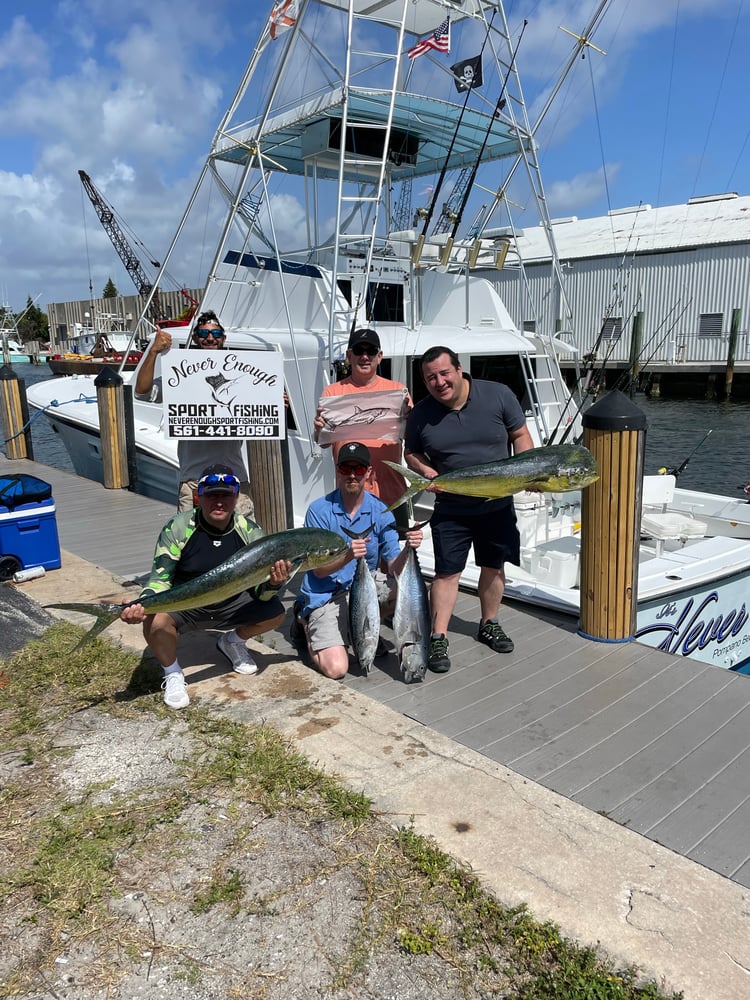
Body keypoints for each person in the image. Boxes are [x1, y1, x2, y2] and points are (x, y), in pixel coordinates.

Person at [403, 346, 534, 673]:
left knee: (493, 565)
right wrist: (427, 472)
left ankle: (489, 622)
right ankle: (438, 636)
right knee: (447, 572)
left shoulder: (498, 395)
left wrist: (527, 469)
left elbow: (520, 434)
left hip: (497, 502)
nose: (439, 382)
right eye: (430, 377)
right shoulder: (421, 413)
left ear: (460, 370)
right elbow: (411, 454)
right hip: (451, 505)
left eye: (444, 373)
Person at [120, 463, 292, 709]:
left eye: (225, 494)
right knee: (154, 620)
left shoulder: (250, 532)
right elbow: (160, 579)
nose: (219, 501)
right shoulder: (178, 527)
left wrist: (274, 583)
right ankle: (173, 673)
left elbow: (259, 593)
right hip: (188, 604)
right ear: (199, 496)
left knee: (275, 613)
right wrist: (143, 602)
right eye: (212, 494)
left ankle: (232, 642)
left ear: (236, 497)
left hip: (233, 603)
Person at [293, 442, 423, 680]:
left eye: (359, 469)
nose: (352, 475)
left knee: (401, 590)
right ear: (337, 470)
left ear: (369, 473)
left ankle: (357, 635)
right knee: (336, 669)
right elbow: (318, 571)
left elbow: (394, 566)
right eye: (346, 468)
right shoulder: (318, 511)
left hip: (363, 589)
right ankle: (304, 619)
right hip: (327, 594)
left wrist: (409, 548)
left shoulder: (381, 511)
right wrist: (348, 556)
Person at [134, 310, 254, 516]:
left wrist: (278, 404)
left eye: (216, 334)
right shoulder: (181, 375)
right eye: (204, 333)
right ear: (196, 337)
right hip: (193, 482)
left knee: (243, 540)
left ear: (223, 339)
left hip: (235, 479)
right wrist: (153, 352)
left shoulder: (243, 374)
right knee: (191, 543)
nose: (210, 338)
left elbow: (263, 405)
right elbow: (142, 392)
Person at [313, 328, 411, 513]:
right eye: (358, 351)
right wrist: (319, 430)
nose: (365, 356)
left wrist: (409, 420)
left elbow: (408, 435)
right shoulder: (332, 393)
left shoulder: (398, 391)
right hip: (351, 492)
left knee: (394, 541)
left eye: (371, 351)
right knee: (354, 543)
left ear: (380, 356)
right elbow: (323, 443)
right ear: (349, 356)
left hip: (392, 491)